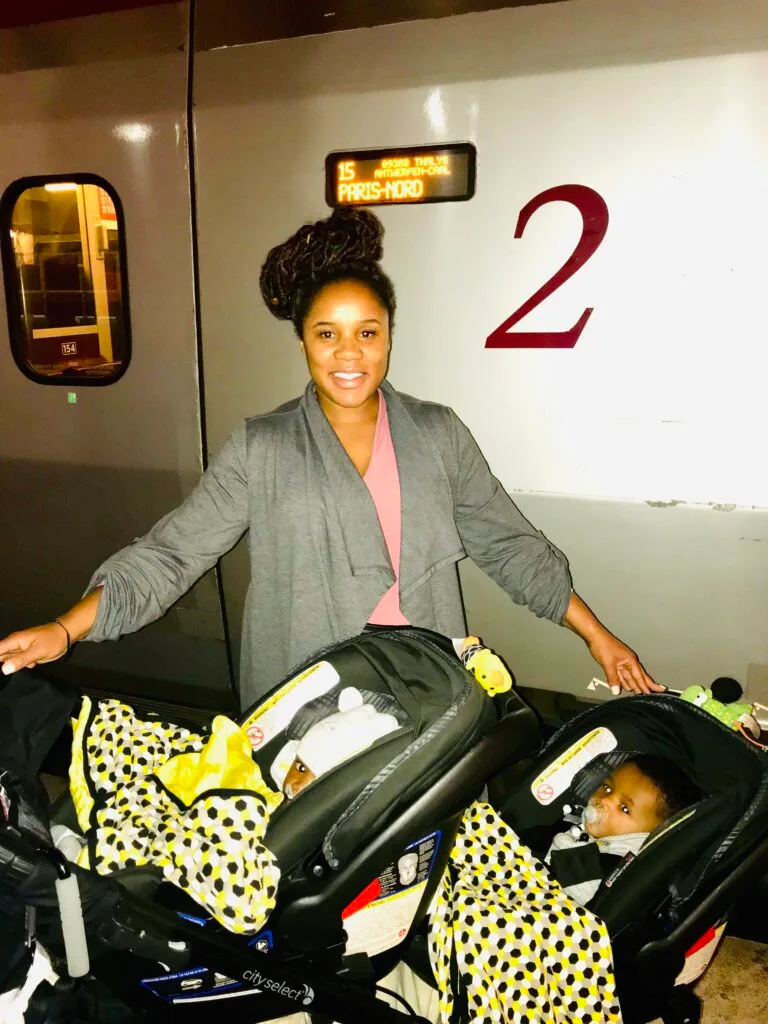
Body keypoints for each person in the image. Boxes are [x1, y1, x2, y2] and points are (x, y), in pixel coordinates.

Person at [0, 207, 663, 706]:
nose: (349, 354)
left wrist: (598, 636)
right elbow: (174, 554)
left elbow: (510, 545)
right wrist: (67, 627)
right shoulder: (264, 447)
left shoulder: (437, 433)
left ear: (388, 338)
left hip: (428, 687)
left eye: (367, 333)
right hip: (308, 696)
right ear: (303, 344)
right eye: (328, 334)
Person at [545, 755, 700, 905]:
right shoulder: (583, 827)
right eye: (607, 788)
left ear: (650, 835)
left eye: (625, 808)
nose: (604, 800)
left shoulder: (613, 867)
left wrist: (562, 840)